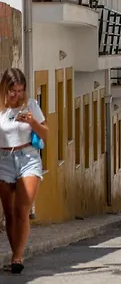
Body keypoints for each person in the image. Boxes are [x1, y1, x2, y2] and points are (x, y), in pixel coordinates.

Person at [0, 68, 48, 274]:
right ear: (4, 88)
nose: (17, 95)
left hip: (28, 157)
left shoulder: (30, 105)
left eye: (20, 90)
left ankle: (17, 257)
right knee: (9, 213)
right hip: (3, 160)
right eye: (13, 91)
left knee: (21, 209)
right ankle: (15, 255)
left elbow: (45, 133)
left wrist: (32, 122)